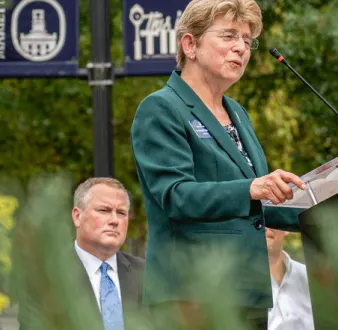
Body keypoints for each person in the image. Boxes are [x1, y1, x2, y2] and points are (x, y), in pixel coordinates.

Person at [130, 0, 307, 328]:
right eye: (229, 36)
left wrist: (322, 213)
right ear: (190, 44)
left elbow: (254, 206)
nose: (241, 47)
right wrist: (253, 187)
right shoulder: (162, 109)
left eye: (247, 39)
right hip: (192, 295)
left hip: (248, 292)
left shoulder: (237, 113)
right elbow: (176, 196)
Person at [18, 178, 145, 330]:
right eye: (104, 210)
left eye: (121, 213)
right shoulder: (44, 278)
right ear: (77, 216)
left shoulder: (146, 274)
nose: (114, 220)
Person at [265, 228, 314, 330]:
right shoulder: (229, 288)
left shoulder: (312, 280)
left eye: (271, 215)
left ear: (286, 228)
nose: (262, 226)